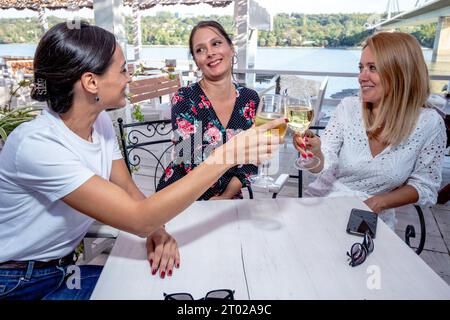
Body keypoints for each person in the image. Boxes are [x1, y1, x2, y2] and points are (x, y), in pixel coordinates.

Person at [0, 22, 285, 300]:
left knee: (179, 284)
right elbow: (138, 219)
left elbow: (127, 189)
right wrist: (229, 154)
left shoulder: (99, 123)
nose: (129, 78)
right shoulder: (38, 145)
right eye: (123, 70)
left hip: (62, 269)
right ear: (91, 82)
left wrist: (157, 231)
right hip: (15, 282)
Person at [293, 31, 447, 229]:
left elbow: (425, 187)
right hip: (324, 204)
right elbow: (323, 164)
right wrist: (316, 154)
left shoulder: (429, 124)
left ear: (401, 71)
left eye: (372, 68)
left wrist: (379, 201)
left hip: (374, 218)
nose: (361, 77)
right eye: (361, 67)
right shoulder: (348, 107)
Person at [156, 21, 259, 200]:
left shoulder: (250, 99)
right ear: (196, 61)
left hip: (229, 197)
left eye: (216, 43)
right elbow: (190, 162)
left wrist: (226, 196)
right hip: (182, 197)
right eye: (200, 49)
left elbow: (251, 160)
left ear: (231, 48)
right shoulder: (185, 98)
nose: (210, 53)